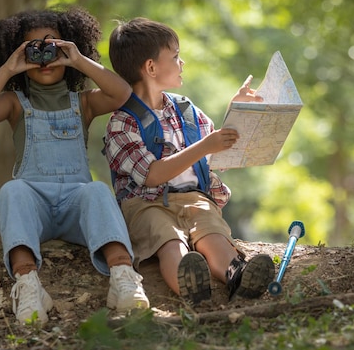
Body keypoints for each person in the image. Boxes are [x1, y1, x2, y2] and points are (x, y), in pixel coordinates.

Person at [0, 7, 149, 326]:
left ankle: (123, 278)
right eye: (33, 50)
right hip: (34, 206)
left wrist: (76, 58)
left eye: (53, 46)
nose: (44, 57)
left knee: (97, 191)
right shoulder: (14, 103)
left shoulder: (84, 102)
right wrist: (11, 68)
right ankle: (28, 286)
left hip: (76, 206)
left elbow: (122, 94)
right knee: (13, 191)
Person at [103, 17, 275, 305]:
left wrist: (238, 111)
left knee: (213, 234)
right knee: (168, 240)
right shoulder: (122, 122)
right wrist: (206, 145)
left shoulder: (185, 110)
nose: (182, 63)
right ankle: (191, 288)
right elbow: (152, 175)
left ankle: (237, 275)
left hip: (195, 199)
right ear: (151, 67)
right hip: (146, 204)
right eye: (176, 56)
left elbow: (214, 150)